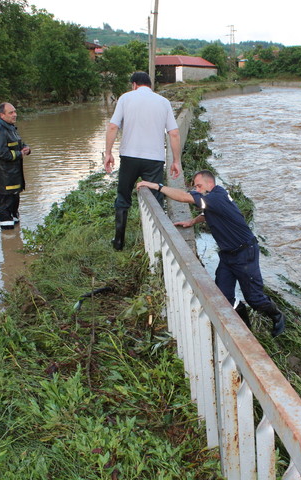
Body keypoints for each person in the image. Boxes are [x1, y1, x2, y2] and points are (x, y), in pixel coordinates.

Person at [136, 170, 286, 337]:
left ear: (210, 183)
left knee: (255, 299)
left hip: (245, 253)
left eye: (199, 186)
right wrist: (192, 221)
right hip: (228, 255)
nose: (197, 189)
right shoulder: (216, 194)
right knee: (223, 297)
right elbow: (207, 211)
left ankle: (277, 316)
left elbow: (185, 197)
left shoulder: (216, 197)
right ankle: (247, 331)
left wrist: (157, 186)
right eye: (195, 187)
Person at [104, 71, 182, 250]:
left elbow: (113, 126)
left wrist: (108, 153)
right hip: (154, 159)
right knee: (156, 200)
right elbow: (174, 133)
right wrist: (176, 161)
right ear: (150, 85)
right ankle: (157, 246)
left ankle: (118, 243)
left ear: (134, 85)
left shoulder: (125, 98)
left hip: (129, 157)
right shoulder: (163, 102)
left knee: (123, 199)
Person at [0, 102, 31, 230]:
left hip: (13, 176)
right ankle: (8, 239)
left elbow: (17, 143)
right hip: (3, 177)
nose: (15, 115)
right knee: (5, 208)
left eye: (15, 111)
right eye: (11, 112)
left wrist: (26, 148)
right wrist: (20, 153)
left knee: (14, 206)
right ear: (2, 115)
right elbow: (2, 154)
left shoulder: (10, 127)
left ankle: (16, 238)